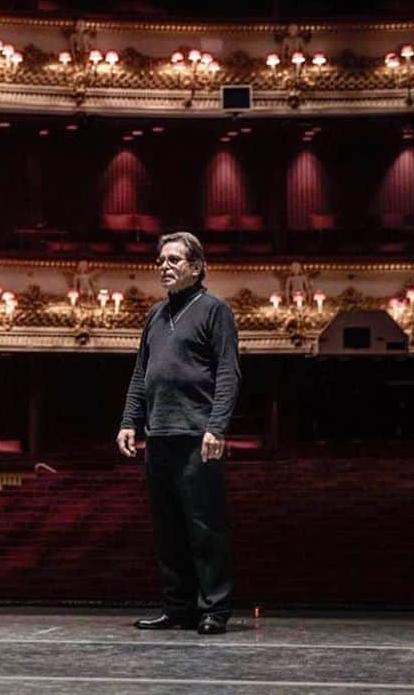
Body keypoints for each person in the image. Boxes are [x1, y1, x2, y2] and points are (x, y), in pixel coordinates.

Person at [116, 231, 241, 635]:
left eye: (173, 260)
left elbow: (228, 373)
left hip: (197, 438)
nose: (164, 267)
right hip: (159, 437)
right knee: (168, 529)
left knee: (204, 528)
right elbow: (141, 373)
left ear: (196, 266)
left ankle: (214, 610)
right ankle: (178, 608)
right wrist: (128, 421)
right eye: (161, 261)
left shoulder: (214, 311)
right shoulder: (155, 315)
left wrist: (217, 426)